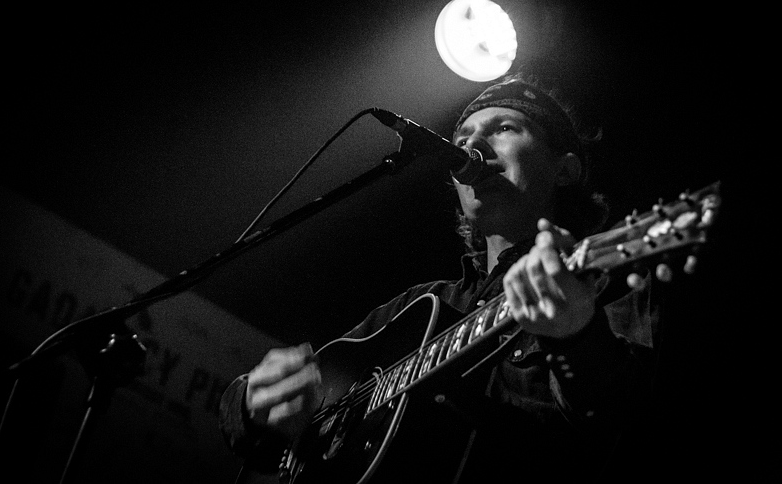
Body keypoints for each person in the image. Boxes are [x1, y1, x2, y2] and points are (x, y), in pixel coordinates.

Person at [219, 74, 658, 482]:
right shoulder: (420, 305)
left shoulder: (604, 281)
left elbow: (621, 427)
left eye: (503, 128)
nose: (475, 145)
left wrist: (574, 338)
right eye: (462, 139)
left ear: (564, 169)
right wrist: (253, 405)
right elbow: (301, 405)